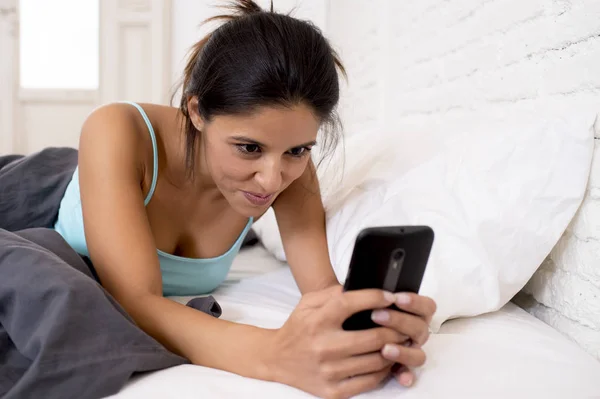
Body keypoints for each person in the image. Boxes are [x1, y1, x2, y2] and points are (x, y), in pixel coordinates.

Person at [52, 1, 436, 398]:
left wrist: (375, 332)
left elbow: (322, 288)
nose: (273, 180)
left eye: (298, 150)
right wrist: (275, 354)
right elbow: (135, 301)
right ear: (197, 111)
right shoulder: (116, 130)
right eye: (249, 148)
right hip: (43, 190)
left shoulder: (291, 170)